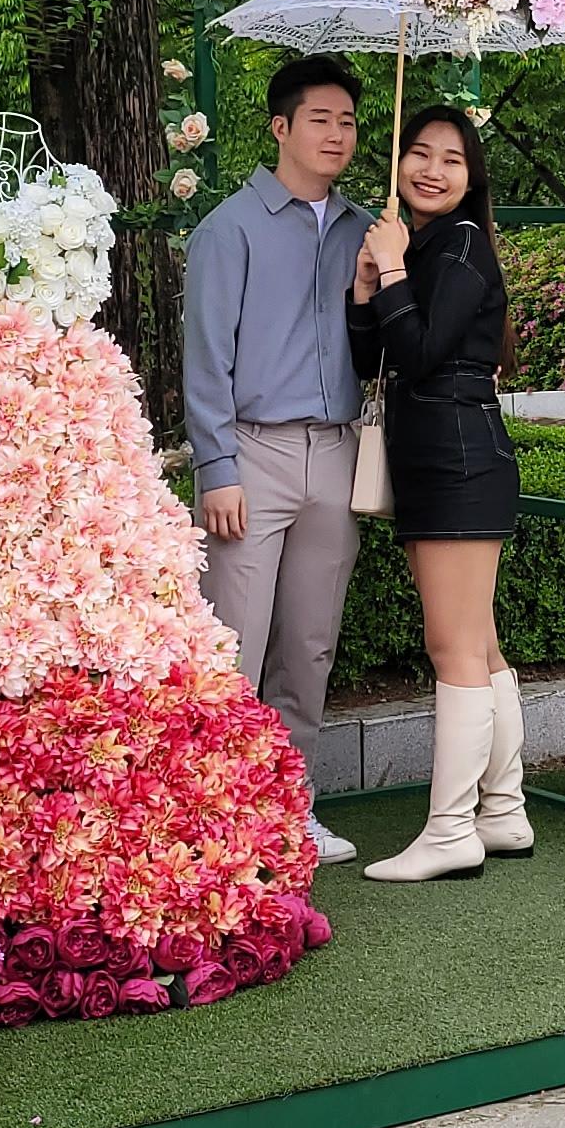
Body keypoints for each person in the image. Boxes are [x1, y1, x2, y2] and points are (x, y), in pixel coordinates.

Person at [181, 54, 373, 864]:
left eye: (349, 122)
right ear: (280, 127)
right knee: (233, 643)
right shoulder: (229, 229)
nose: (337, 134)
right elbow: (205, 358)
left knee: (310, 646)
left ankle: (292, 808)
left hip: (336, 452)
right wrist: (216, 467)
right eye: (320, 119)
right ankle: (219, 817)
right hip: (253, 453)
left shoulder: (367, 230)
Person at [346, 103, 530, 882]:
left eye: (451, 159)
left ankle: (452, 829)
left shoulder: (459, 245)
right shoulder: (422, 246)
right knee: (477, 643)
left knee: (451, 647)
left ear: (471, 177)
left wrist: (392, 270)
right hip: (437, 461)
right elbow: (374, 360)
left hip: (459, 464)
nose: (431, 169)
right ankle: (504, 810)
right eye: (418, 153)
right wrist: (369, 283)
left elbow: (420, 354)